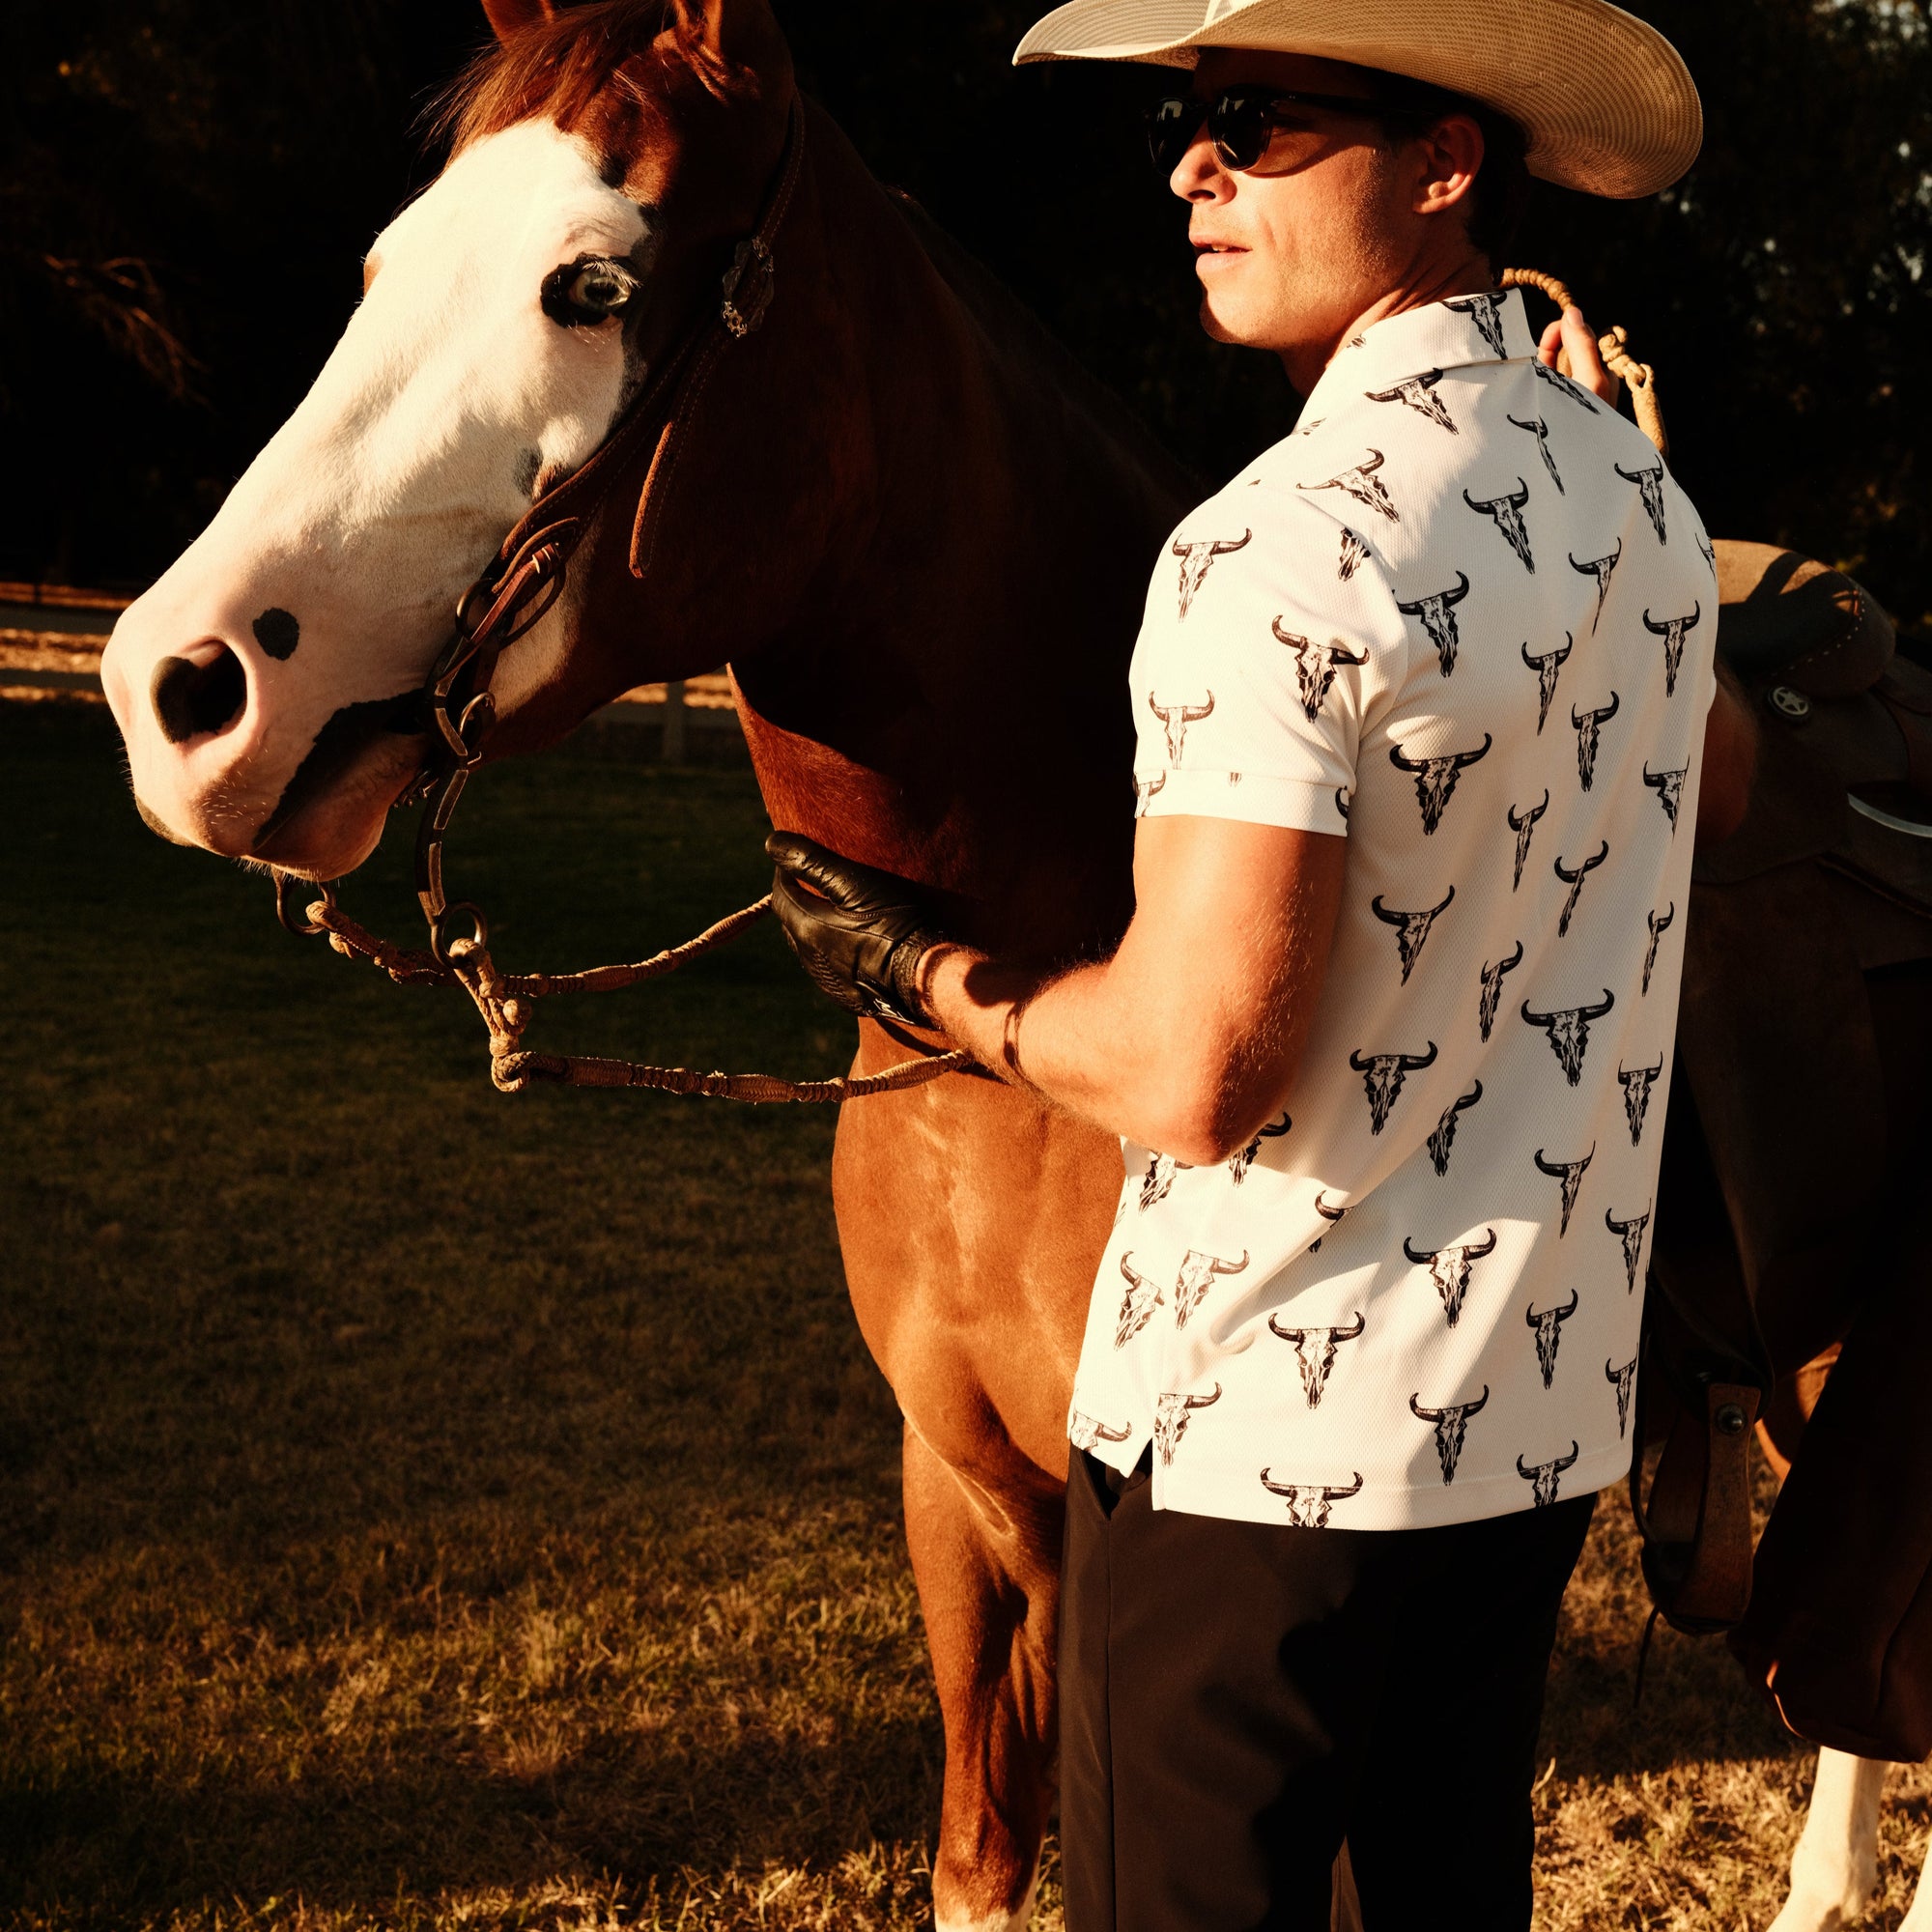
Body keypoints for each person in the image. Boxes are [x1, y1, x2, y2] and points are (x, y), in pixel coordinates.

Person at [765, 1, 1713, 1922]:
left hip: (1251, 1474)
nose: (1195, 167)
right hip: (1516, 1448)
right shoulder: (1647, 511)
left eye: (1261, 123)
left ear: (1445, 162)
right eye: (1193, 125)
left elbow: (1198, 1066)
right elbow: (1723, 782)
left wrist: (942, 982)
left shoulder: (1270, 547)